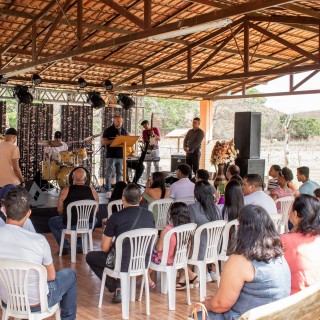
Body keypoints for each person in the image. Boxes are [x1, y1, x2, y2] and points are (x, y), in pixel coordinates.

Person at [199, 205, 291, 320]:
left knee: (196, 315)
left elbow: (220, 305)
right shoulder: (279, 256)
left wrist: (206, 304)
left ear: (243, 230)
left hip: (244, 317)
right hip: (275, 315)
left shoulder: (241, 260)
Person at [0, 187, 77, 320]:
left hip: (7, 300)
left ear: (4, 210)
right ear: (28, 213)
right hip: (37, 303)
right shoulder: (39, 241)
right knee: (70, 275)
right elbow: (51, 276)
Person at [86, 184, 155, 303]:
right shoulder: (149, 215)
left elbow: (104, 248)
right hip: (143, 261)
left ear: (123, 199)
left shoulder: (115, 217)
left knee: (90, 257)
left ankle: (116, 286)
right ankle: (119, 285)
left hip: (122, 262)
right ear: (140, 198)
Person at [48, 168, 99, 255]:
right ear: (86, 179)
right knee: (95, 220)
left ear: (72, 177)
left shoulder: (66, 190)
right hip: (87, 223)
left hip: (70, 224)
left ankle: (65, 246)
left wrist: (63, 216)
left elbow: (59, 210)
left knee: (52, 221)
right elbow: (96, 210)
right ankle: (79, 244)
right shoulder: (92, 190)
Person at [281, 195, 320, 295]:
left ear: (295, 214)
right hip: (315, 298)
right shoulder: (316, 237)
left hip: (294, 300)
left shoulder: (284, 240)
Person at [148, 202, 190, 288]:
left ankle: (146, 278)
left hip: (165, 261)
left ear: (172, 214)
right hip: (179, 260)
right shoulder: (189, 229)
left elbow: (159, 248)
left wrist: (155, 243)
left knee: (148, 255)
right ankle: (145, 279)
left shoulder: (167, 229)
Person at [102, 114, 128, 198]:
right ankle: (108, 191)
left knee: (119, 173)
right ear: (113, 121)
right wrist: (115, 140)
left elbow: (127, 142)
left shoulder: (124, 131)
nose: (119, 123)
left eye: (121, 121)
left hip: (121, 155)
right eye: (117, 121)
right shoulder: (108, 130)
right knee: (109, 173)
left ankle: (118, 191)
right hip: (111, 155)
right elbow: (104, 142)